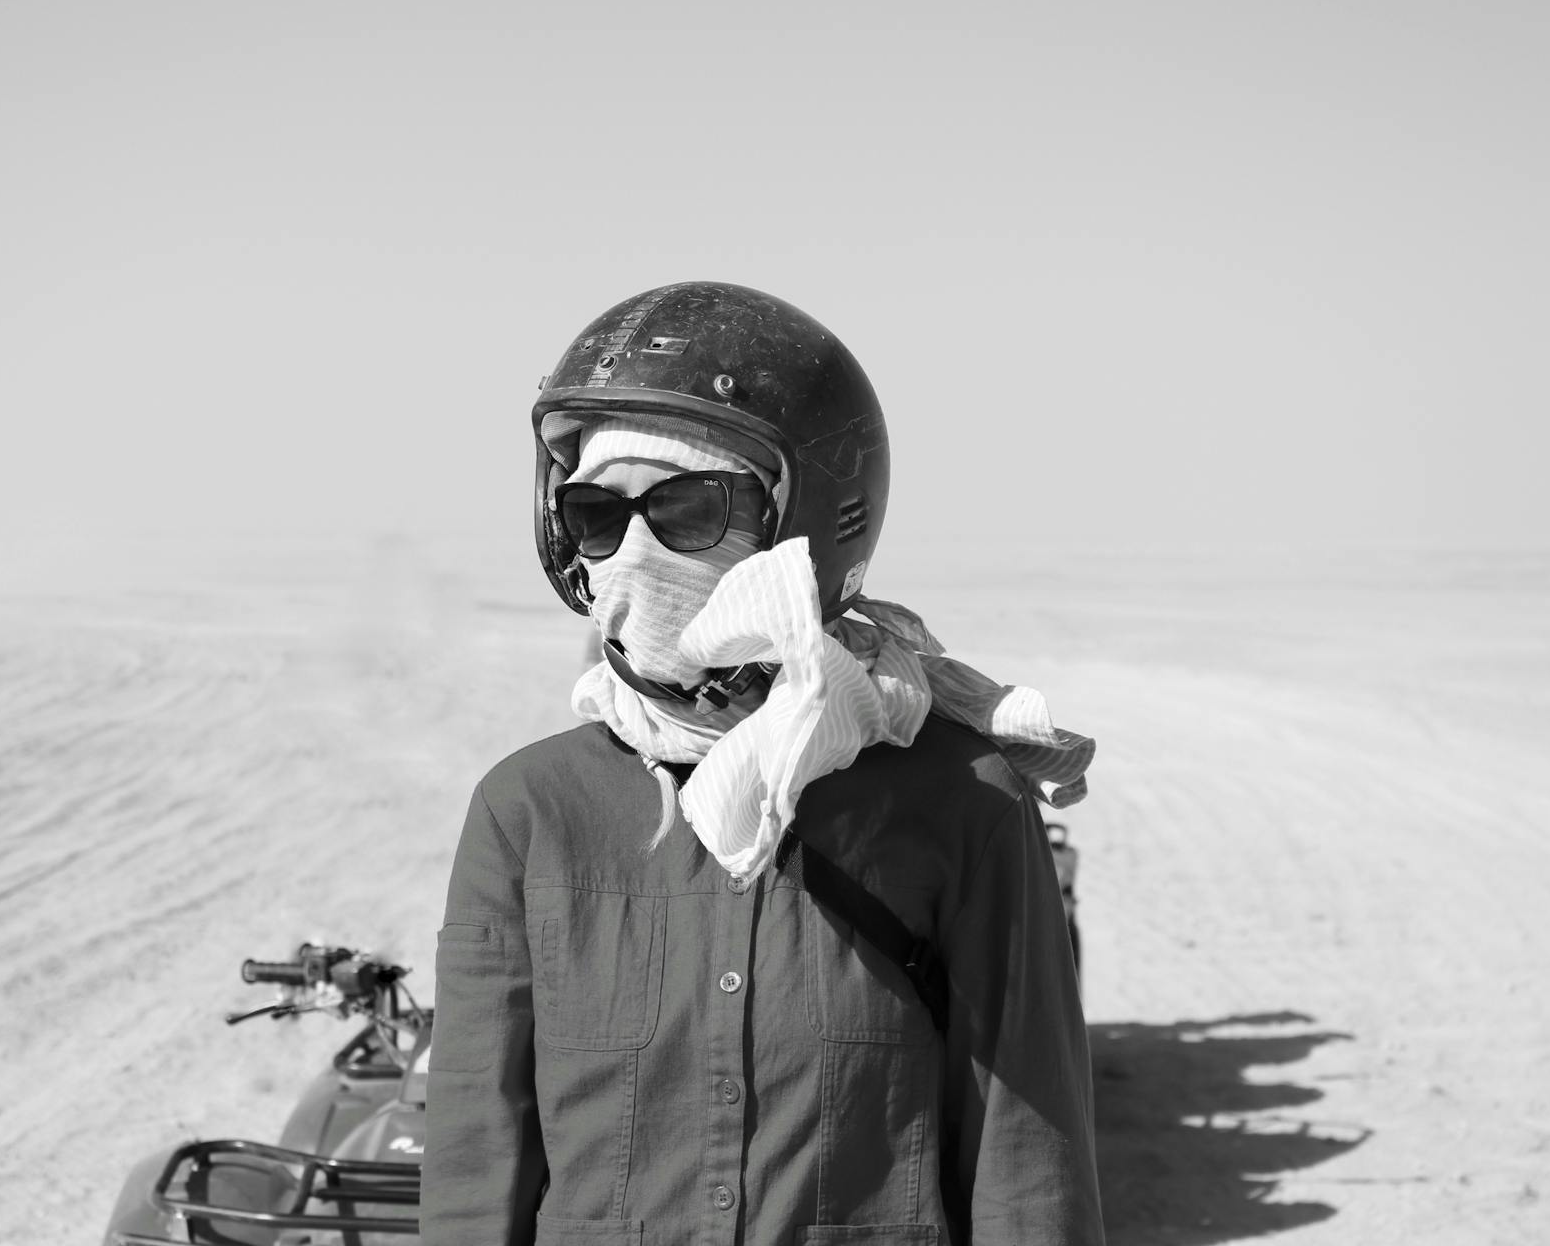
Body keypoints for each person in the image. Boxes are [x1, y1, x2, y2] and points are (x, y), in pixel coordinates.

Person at [422, 281, 1103, 1245]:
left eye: (691, 508)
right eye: (595, 516)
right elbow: (475, 1157)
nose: (636, 552)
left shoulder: (962, 802)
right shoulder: (531, 811)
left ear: (806, 527)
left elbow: (1027, 1167)